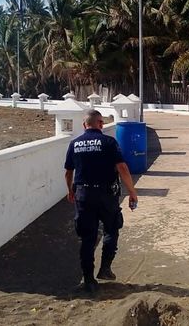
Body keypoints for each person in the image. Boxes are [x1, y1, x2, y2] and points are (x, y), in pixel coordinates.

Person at [64, 110, 138, 294]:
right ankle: (105, 268)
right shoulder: (109, 142)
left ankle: (88, 279)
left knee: (87, 238)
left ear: (84, 125)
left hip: (83, 195)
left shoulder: (74, 144)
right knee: (111, 228)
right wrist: (132, 192)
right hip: (106, 195)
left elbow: (68, 171)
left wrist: (70, 191)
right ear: (100, 124)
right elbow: (121, 167)